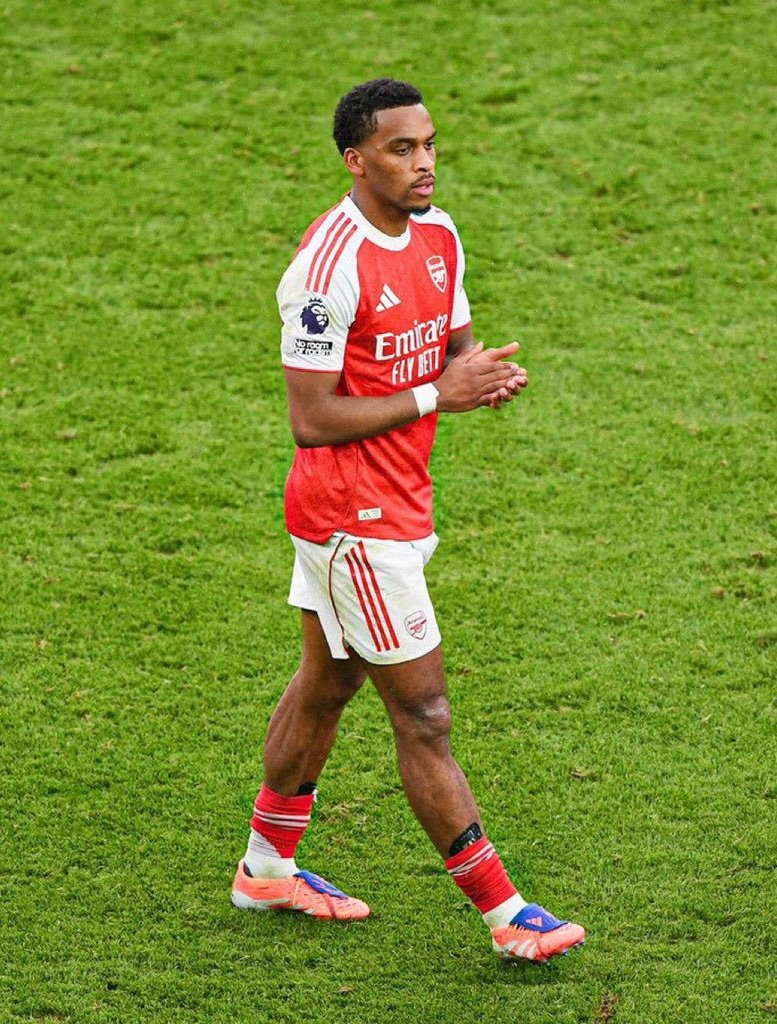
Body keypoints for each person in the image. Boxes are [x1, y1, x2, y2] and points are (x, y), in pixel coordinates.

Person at [231, 78, 586, 962]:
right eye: (401, 149)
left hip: (399, 499)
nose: (423, 163)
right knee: (424, 714)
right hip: (350, 519)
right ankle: (506, 915)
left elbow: (454, 344)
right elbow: (310, 417)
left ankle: (266, 869)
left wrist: (482, 373)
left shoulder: (440, 234)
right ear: (356, 160)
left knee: (327, 682)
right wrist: (438, 394)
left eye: (429, 145)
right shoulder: (325, 271)